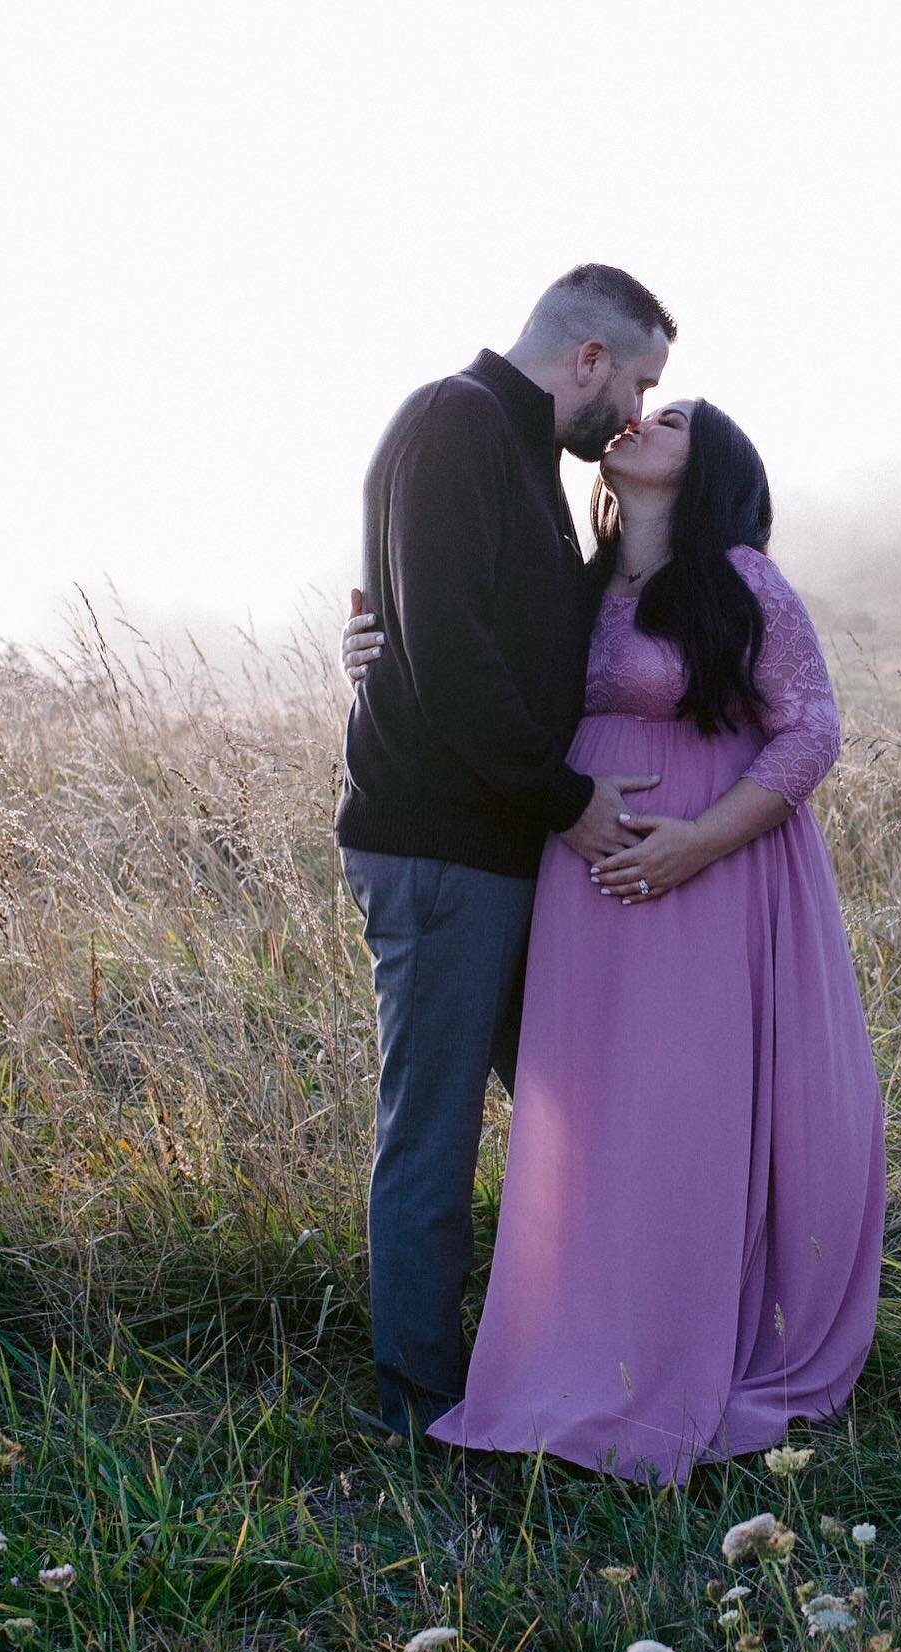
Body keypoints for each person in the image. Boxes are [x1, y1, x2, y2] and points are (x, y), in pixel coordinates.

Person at [345, 398, 888, 1487]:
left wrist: (698, 843)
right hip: (582, 878)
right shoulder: (577, 585)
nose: (641, 419)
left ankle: (689, 1352)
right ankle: (575, 1345)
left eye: (675, 416)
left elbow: (815, 725)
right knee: (599, 1112)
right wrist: (378, 648)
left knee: (680, 1108)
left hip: (705, 874)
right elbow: (471, 669)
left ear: (714, 463)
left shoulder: (739, 578)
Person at [335, 264, 675, 1441]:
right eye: (637, 381)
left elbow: (505, 637)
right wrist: (568, 799)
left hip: (496, 846)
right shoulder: (454, 423)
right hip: (439, 848)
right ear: (587, 357)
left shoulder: (521, 455)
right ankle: (422, 1412)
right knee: (431, 1131)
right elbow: (450, 655)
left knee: (573, 1101)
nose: (635, 410)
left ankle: (574, 1355)